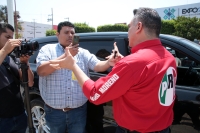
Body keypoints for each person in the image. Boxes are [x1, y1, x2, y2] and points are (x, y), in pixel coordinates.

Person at [50, 7, 177, 133]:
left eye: (129, 27)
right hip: (163, 129)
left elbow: (95, 94)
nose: (128, 31)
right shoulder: (169, 57)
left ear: (138, 27)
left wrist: (73, 65)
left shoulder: (133, 63)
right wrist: (124, 63)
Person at [36, 21, 118, 133]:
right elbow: (42, 71)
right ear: (57, 34)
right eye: (66, 32)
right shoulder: (47, 50)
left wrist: (109, 62)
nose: (70, 35)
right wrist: (66, 55)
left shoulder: (82, 53)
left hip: (78, 112)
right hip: (54, 112)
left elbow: (97, 65)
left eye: (72, 33)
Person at [0, 23, 34, 133]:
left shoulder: (12, 57)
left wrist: (25, 63)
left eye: (12, 37)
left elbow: (29, 83)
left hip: (19, 114)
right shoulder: (5, 53)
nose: (10, 41)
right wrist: (5, 50)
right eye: (7, 37)